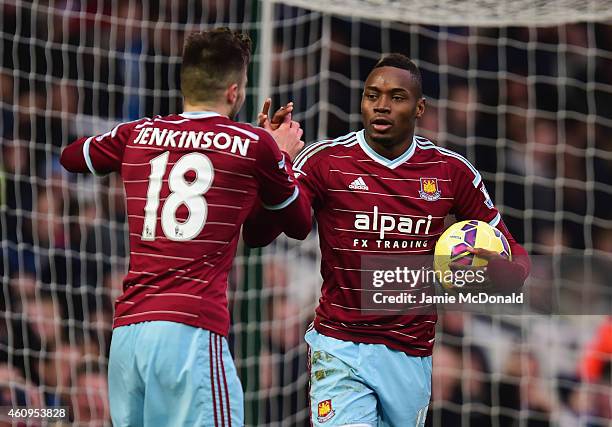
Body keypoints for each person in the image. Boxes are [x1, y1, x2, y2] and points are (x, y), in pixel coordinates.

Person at [246, 53, 531, 426]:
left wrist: (507, 272)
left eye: (396, 97)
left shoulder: (451, 172)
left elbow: (513, 252)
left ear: (419, 108)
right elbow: (261, 232)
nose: (381, 106)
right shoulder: (325, 161)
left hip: (411, 354)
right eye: (371, 95)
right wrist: (275, 163)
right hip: (340, 346)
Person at [60, 28, 311, 427]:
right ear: (234, 92)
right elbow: (300, 223)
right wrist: (280, 156)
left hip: (128, 338)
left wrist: (127, 150)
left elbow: (72, 157)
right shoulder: (254, 144)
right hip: (189, 332)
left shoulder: (138, 132)